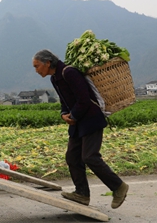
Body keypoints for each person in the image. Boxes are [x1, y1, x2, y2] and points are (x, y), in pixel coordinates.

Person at [32, 49, 128, 208]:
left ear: (47, 63)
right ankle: (82, 193)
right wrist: (64, 114)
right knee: (72, 157)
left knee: (90, 156)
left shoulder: (69, 72)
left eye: (37, 66)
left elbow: (84, 99)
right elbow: (64, 101)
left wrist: (73, 116)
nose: (36, 70)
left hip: (91, 120)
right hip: (78, 123)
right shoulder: (55, 78)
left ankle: (119, 187)